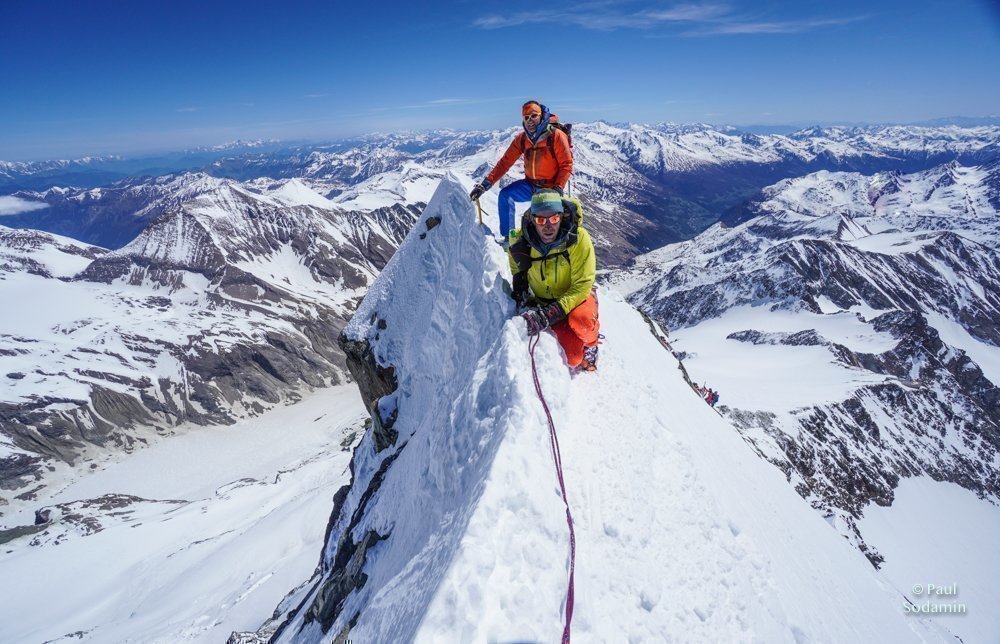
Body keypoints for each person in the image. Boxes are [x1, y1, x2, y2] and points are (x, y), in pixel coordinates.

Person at [510, 189, 600, 371]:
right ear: (533, 219)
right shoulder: (521, 241)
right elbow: (517, 269)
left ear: (562, 216)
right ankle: (578, 341)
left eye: (554, 218)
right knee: (573, 359)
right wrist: (522, 294)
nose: (548, 225)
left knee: (582, 321)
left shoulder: (577, 238)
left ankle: (592, 344)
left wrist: (552, 312)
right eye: (541, 220)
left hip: (576, 298)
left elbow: (583, 284)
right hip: (546, 303)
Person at [469, 100, 573, 246]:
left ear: (541, 116)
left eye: (533, 116)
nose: (530, 120)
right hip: (530, 185)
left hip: (550, 188)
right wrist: (484, 185)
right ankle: (509, 239)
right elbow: (505, 163)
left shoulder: (555, 136)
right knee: (505, 196)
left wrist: (558, 187)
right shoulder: (523, 139)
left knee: (542, 224)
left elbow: (566, 164)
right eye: (526, 117)